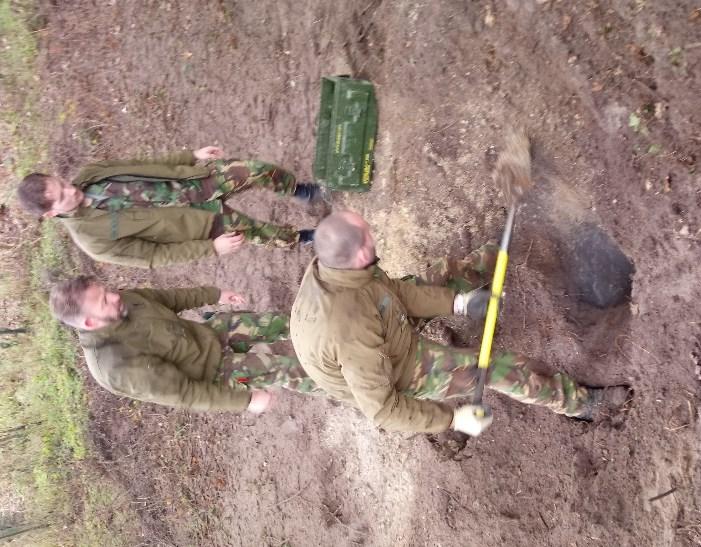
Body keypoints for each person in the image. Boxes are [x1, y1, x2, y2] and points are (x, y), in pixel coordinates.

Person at [290, 211, 629, 435]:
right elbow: (383, 410)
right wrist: (452, 419)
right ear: (362, 254)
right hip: (394, 369)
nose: (373, 234)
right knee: (495, 366)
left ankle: (495, 253)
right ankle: (583, 404)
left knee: (444, 279)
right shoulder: (351, 333)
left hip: (383, 324)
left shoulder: (339, 266)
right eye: (369, 235)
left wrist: (458, 302)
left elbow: (394, 291)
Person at [17, 147, 324, 268]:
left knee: (256, 169)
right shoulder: (92, 241)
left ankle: (300, 190)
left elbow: (142, 163)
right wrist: (211, 249)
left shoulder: (91, 173)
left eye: (61, 182)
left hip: (195, 182)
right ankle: (306, 238)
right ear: (51, 213)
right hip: (200, 223)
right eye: (61, 197)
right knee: (260, 232)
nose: (70, 189)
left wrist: (189, 156)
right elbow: (155, 256)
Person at [49, 276, 317, 412]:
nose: (114, 297)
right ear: (90, 324)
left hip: (207, 335)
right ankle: (349, 383)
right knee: (283, 369)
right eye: (104, 302)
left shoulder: (118, 300)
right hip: (216, 377)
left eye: (106, 290)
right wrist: (246, 401)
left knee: (279, 322)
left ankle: (334, 328)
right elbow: (185, 394)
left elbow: (166, 298)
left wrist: (214, 294)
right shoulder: (115, 367)